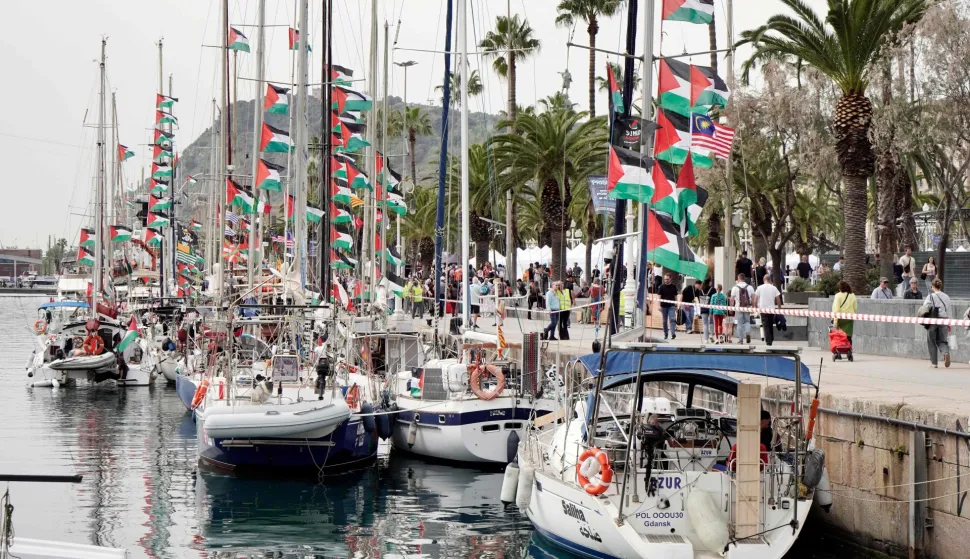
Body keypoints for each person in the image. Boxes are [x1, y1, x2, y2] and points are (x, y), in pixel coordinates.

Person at [924, 279, 951, 368]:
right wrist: (949, 323)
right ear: (940, 286)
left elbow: (925, 308)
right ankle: (946, 353)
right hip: (944, 320)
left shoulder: (930, 296)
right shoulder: (947, 296)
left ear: (932, 286)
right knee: (942, 340)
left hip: (933, 321)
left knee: (931, 340)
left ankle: (934, 363)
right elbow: (949, 311)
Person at [754, 274, 782, 346]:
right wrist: (779, 309)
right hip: (771, 310)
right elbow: (778, 299)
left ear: (764, 280)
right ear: (770, 280)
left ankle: (768, 342)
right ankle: (771, 339)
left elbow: (755, 300)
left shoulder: (759, 288)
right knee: (770, 325)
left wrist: (756, 308)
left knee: (765, 326)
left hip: (763, 310)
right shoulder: (774, 288)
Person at [730, 274, 755, 344]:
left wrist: (731, 308)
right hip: (747, 308)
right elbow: (753, 298)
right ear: (744, 278)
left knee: (739, 324)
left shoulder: (735, 288)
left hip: (738, 308)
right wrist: (753, 307)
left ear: (738, 278)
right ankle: (747, 333)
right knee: (747, 321)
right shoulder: (750, 287)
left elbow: (731, 299)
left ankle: (740, 340)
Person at [832, 281, 857, 345]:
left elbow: (836, 309)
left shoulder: (838, 295)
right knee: (848, 336)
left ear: (840, 288)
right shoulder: (852, 295)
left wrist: (835, 321)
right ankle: (849, 349)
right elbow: (855, 308)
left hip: (840, 319)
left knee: (839, 335)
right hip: (849, 319)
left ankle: (839, 349)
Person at [657, 273, 680, 340]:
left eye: (667, 279)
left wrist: (676, 305)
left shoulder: (673, 287)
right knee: (664, 321)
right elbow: (659, 297)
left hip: (671, 306)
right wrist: (658, 305)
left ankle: (673, 333)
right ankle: (666, 333)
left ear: (670, 279)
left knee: (672, 319)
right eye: (665, 279)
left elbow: (675, 297)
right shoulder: (661, 287)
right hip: (663, 306)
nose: (666, 280)